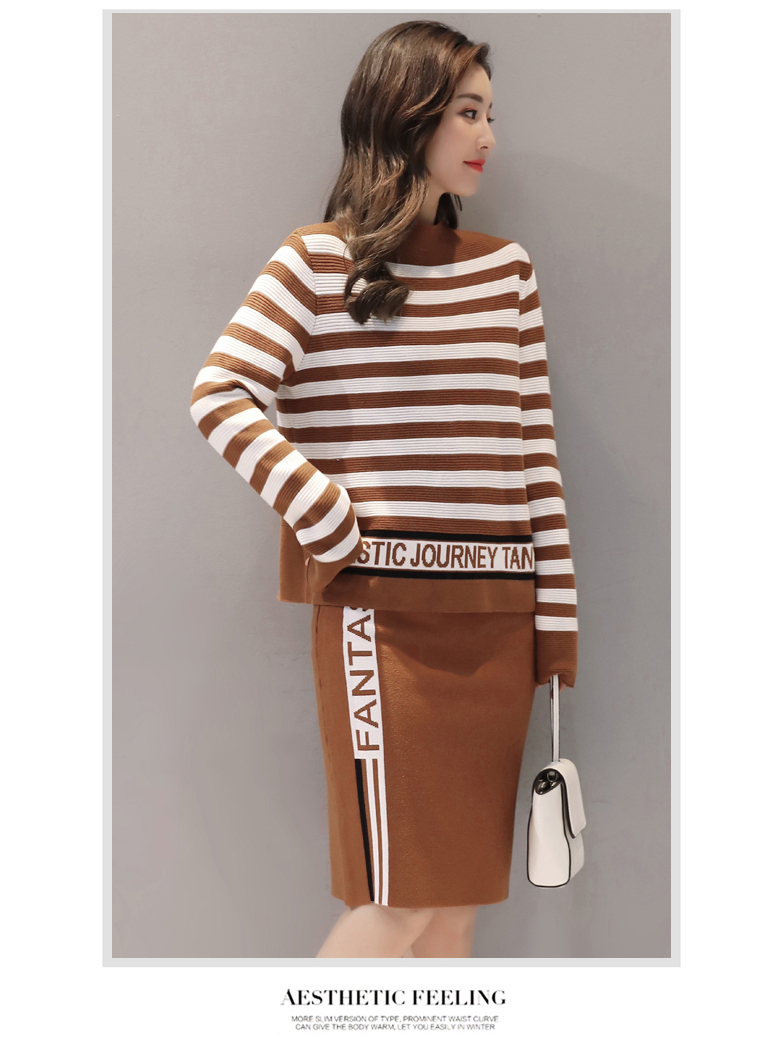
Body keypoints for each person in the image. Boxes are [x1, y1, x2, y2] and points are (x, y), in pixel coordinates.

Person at [189, 20, 578, 959]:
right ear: (409, 115)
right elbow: (219, 394)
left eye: (490, 114)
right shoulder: (316, 261)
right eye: (468, 112)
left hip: (498, 626)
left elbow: (534, 458)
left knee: (457, 905)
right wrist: (325, 513)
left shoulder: (507, 273)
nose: (488, 137)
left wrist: (556, 626)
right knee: (397, 900)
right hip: (380, 624)